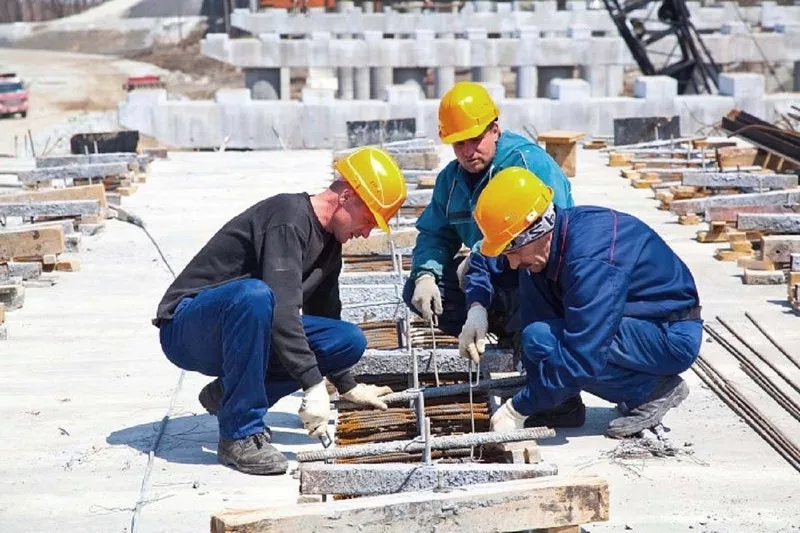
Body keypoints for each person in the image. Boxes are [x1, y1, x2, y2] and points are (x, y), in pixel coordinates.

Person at [152, 147, 407, 475]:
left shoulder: (330, 243)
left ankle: (228, 395)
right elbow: (284, 311)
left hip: (243, 326)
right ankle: (239, 434)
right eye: (368, 219)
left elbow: (325, 315)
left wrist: (346, 384)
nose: (366, 232)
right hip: (188, 328)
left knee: (347, 340)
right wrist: (314, 385)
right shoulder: (288, 218)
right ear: (346, 196)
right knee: (257, 296)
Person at [464, 166, 702, 438]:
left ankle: (651, 391)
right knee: (536, 334)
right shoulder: (541, 245)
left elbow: (583, 353)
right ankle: (562, 404)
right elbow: (485, 260)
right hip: (633, 322)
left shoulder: (590, 259)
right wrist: (477, 306)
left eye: (514, 251)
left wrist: (519, 408)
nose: (513, 261)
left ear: (536, 229)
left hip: (667, 333)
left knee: (548, 340)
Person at [404, 80, 579, 427]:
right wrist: (426, 273)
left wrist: (489, 256)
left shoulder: (528, 165)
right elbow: (435, 234)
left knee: (529, 290)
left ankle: (558, 391)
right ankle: (504, 330)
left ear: (495, 129)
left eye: (475, 139)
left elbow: (550, 238)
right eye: (458, 144)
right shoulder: (451, 181)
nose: (468, 151)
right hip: (492, 273)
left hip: (535, 273)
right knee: (418, 291)